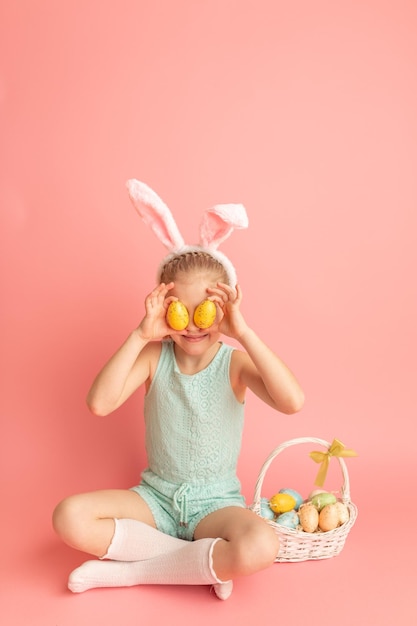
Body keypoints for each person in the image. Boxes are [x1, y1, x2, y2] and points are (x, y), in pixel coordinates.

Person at [52, 180, 304, 600]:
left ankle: (132, 572)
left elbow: (292, 402)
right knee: (68, 517)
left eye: (206, 311)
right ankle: (199, 563)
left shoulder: (234, 364)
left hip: (215, 505)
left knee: (262, 545)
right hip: (155, 499)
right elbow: (99, 404)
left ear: (223, 311)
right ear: (162, 306)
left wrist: (243, 332)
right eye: (179, 311)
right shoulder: (154, 357)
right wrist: (138, 334)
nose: (192, 325)